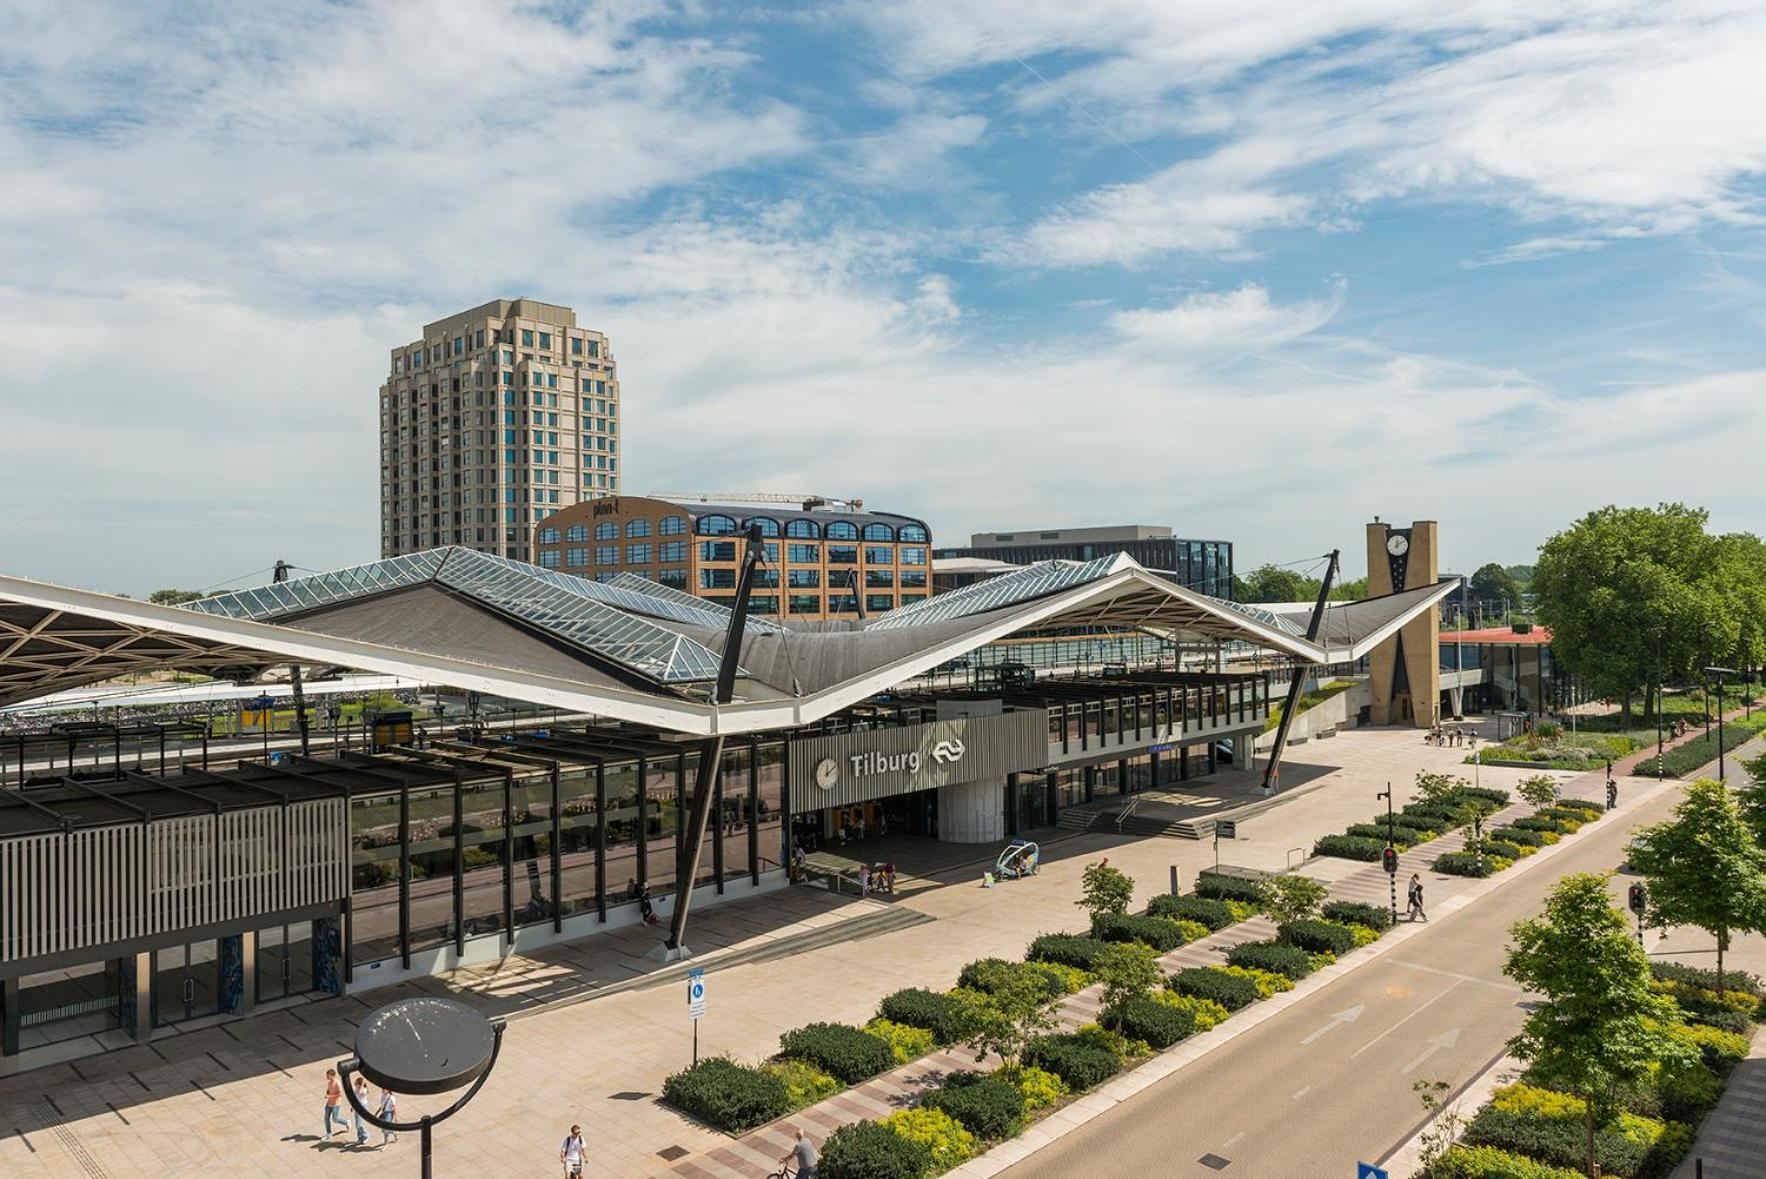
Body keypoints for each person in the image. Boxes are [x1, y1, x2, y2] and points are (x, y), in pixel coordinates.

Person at [323, 1068, 349, 1139]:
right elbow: (329, 1090)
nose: (327, 1077)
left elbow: (340, 1094)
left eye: (328, 1076)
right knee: (326, 1118)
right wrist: (327, 1093)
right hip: (329, 1103)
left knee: (335, 1119)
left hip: (335, 1104)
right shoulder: (329, 1082)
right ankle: (329, 1133)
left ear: (332, 1075)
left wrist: (330, 1096)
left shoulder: (337, 1083)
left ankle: (346, 1122)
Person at [353, 1075, 372, 1144]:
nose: (356, 1085)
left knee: (359, 1124)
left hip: (363, 1107)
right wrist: (353, 1106)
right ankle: (360, 1138)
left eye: (357, 1084)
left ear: (360, 1084)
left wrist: (363, 1082)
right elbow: (355, 1098)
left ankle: (366, 1135)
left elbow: (360, 1092)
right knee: (357, 1124)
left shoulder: (364, 1090)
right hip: (357, 1106)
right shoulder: (356, 1089)